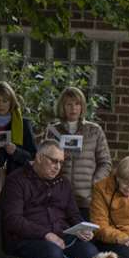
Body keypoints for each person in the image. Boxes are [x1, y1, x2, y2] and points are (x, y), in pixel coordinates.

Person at [0, 141, 97, 258]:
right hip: (24, 238)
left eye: (61, 162)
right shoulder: (17, 180)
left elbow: (73, 214)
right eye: (53, 161)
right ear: (38, 158)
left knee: (90, 253)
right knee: (52, 252)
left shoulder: (63, 182)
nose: (57, 166)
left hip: (60, 234)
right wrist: (45, 234)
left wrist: (82, 228)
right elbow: (13, 220)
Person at [45, 86, 112, 218]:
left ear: (82, 107)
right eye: (69, 104)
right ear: (62, 107)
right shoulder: (53, 131)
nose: (73, 108)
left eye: (77, 104)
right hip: (59, 196)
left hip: (86, 199)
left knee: (85, 236)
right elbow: (44, 162)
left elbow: (105, 163)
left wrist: (95, 182)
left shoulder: (94, 130)